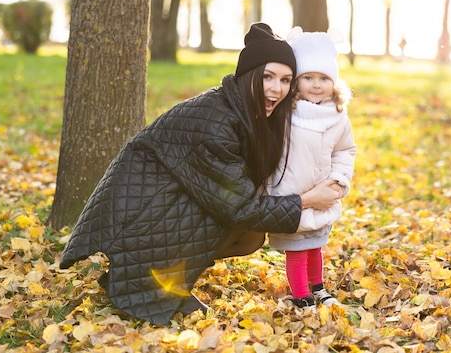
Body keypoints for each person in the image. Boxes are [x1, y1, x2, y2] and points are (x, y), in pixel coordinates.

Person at [58, 22, 341, 325]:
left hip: (155, 208)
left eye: (286, 80)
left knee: (250, 234)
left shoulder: (245, 111)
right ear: (247, 76)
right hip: (136, 215)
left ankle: (157, 277)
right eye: (268, 77)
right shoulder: (215, 123)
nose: (277, 89)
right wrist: (308, 200)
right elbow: (241, 207)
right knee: (235, 218)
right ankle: (147, 279)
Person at [268, 27, 356, 310]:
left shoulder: (337, 115)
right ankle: (302, 294)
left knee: (316, 245)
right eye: (308, 78)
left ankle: (318, 287)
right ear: (297, 81)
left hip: (323, 191)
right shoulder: (286, 113)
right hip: (291, 194)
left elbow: (345, 150)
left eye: (324, 78)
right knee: (296, 249)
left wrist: (339, 179)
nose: (316, 85)